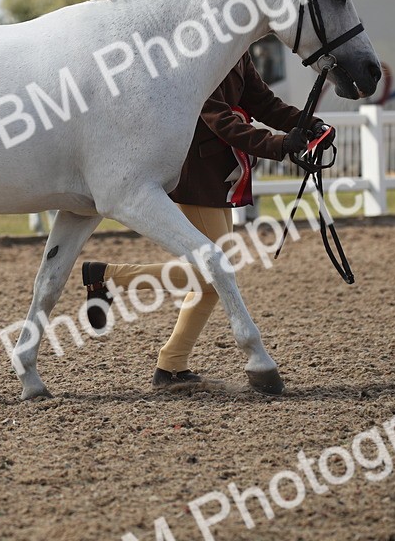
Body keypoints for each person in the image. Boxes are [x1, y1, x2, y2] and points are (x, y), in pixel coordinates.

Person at [81, 51, 330, 389]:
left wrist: (308, 124)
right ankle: (112, 280)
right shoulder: (204, 57)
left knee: (213, 280)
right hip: (197, 174)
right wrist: (279, 144)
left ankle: (170, 365)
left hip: (218, 175)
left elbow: (263, 102)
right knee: (215, 274)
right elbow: (219, 119)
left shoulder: (238, 53)